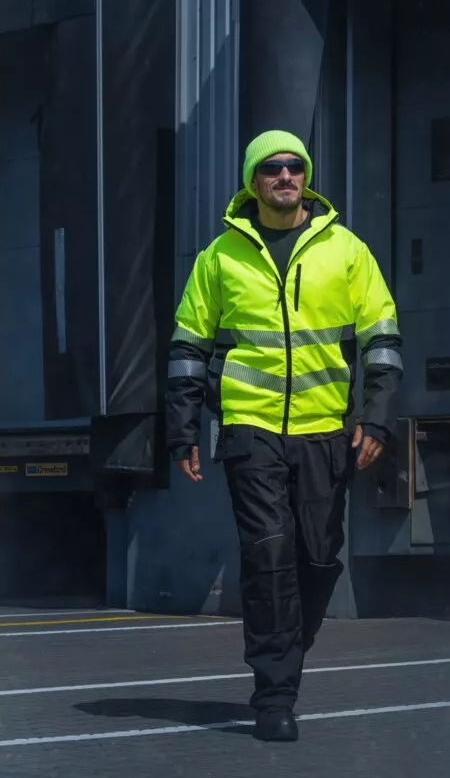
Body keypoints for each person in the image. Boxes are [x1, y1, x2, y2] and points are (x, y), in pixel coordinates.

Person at [164, 130, 403, 742]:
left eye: (295, 166)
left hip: (325, 429)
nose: (285, 176)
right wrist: (182, 430)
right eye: (271, 167)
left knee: (318, 558)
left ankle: (288, 649)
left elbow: (382, 339)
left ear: (306, 176)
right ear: (253, 181)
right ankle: (274, 696)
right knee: (268, 555)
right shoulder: (219, 258)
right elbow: (188, 349)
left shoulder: (346, 250)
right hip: (250, 429)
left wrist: (375, 417)